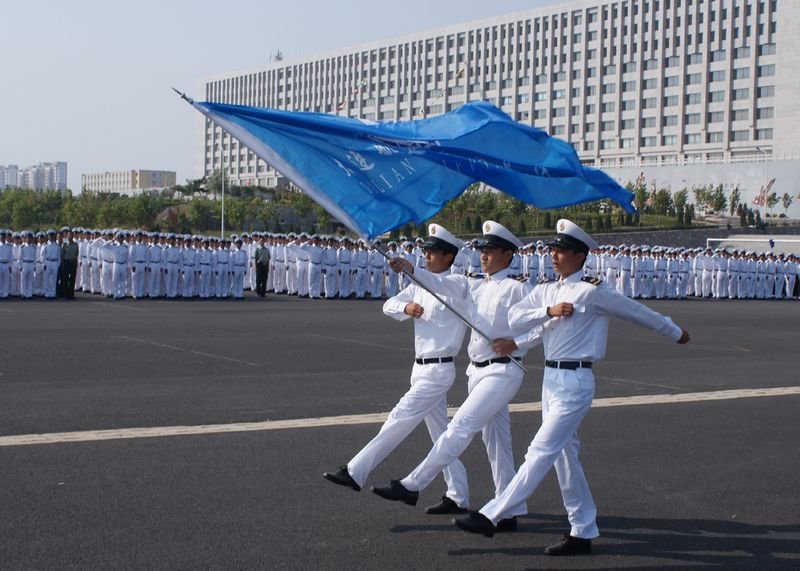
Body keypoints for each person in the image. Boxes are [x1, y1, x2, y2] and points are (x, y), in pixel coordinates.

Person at [453, 219, 690, 556]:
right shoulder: (548, 290)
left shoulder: (593, 290)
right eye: (552, 249)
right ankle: (582, 529)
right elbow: (518, 317)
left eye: (561, 250)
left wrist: (673, 331)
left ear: (580, 255)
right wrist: (544, 313)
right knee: (565, 456)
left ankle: (493, 514)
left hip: (577, 381)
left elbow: (637, 312)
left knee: (541, 449)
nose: (554, 255)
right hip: (550, 380)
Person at [371, 221, 540, 531]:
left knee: (460, 426)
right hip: (476, 371)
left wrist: (517, 343)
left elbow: (543, 324)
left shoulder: (518, 288)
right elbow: (440, 284)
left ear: (507, 254)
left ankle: (413, 483)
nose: (484, 256)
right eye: (482, 251)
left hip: (503, 371)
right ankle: (509, 507)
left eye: (490, 251)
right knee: (497, 441)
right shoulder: (473, 283)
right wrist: (411, 269)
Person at [323, 224, 471, 513]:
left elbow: (437, 284)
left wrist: (411, 268)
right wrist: (406, 309)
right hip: (419, 369)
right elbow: (389, 304)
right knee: (442, 437)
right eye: (425, 252)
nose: (426, 256)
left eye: (432, 252)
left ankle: (356, 471)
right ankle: (458, 496)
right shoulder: (419, 286)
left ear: (449, 257)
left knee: (399, 416)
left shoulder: (458, 285)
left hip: (439, 371)